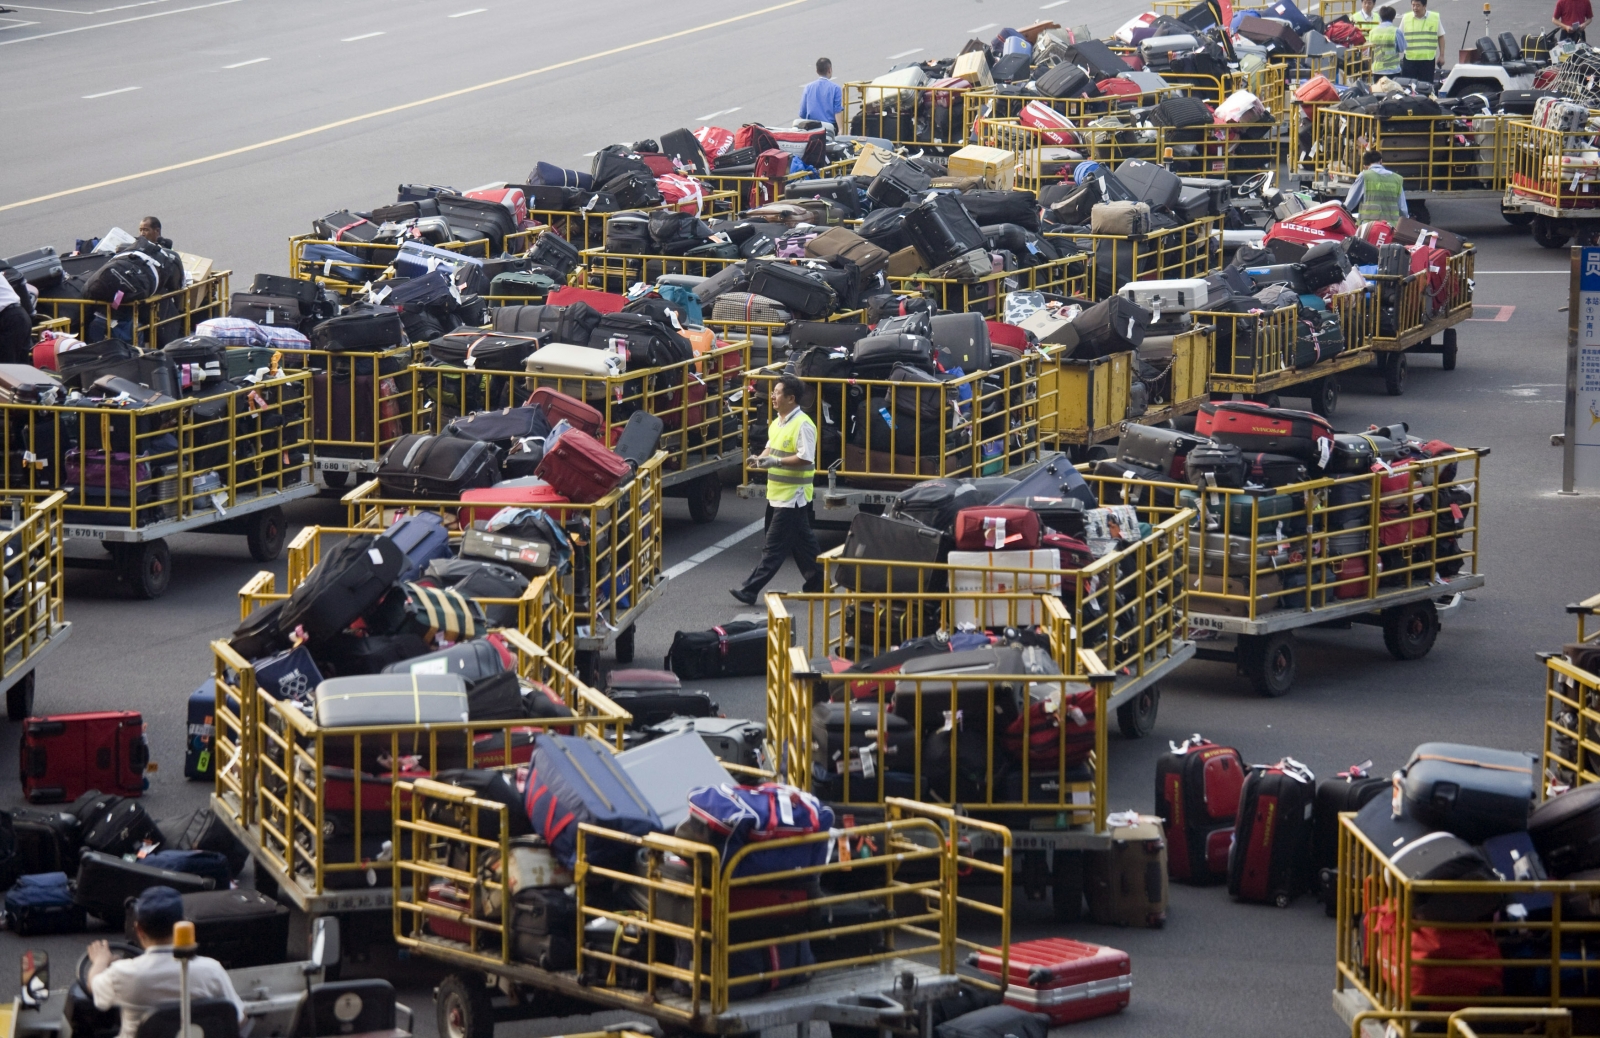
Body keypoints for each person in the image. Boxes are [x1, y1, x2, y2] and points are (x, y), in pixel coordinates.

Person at [88, 887, 245, 1038]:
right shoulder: (211, 969)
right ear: (181, 925)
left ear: (139, 929)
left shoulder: (122, 972)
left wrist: (100, 961)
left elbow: (95, 988)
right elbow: (238, 1019)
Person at [731, 373, 822, 605]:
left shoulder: (804, 425)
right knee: (804, 543)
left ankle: (750, 590)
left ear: (791, 398)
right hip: (778, 495)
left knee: (773, 548)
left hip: (793, 497)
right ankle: (818, 585)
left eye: (778, 392)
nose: (772, 396)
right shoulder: (778, 421)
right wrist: (759, 459)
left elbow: (807, 458)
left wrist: (777, 462)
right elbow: (770, 448)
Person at [1345, 149, 1410, 224]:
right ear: (1381, 161)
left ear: (1365, 167)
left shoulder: (1364, 176)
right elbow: (1403, 209)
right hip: (1391, 228)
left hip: (1369, 227)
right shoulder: (1397, 179)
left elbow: (1349, 204)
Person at [1399, 0, 1445, 83]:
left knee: (1426, 87)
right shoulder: (1406, 18)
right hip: (1410, 60)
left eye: (1418, 5)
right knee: (1408, 88)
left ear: (1424, 6)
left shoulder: (1434, 18)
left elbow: (1441, 37)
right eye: (1413, 5)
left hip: (1427, 61)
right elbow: (1399, 36)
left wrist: (1441, 55)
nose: (1415, 8)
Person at [799, 58, 844, 135]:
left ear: (817, 71)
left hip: (812, 128)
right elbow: (837, 111)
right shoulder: (836, 88)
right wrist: (840, 129)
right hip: (830, 128)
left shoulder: (808, 87)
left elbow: (802, 113)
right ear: (830, 70)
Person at [1370, 6, 1405, 77]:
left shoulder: (1373, 32)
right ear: (1393, 17)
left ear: (1380, 17)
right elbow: (1401, 49)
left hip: (1377, 70)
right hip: (1392, 70)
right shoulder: (1396, 31)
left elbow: (1371, 50)